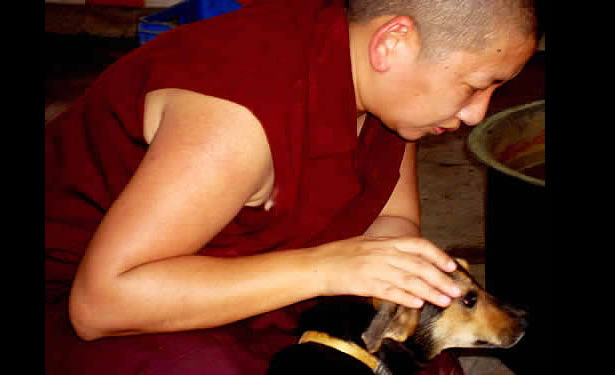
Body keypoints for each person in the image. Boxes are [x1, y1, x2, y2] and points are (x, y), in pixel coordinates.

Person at [45, 0, 539, 373]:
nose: (477, 113)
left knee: (415, 357)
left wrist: (401, 274)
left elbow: (389, 223)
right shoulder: (236, 116)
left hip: (254, 283)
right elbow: (100, 307)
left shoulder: (387, 92)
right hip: (96, 305)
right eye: (475, 86)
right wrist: (324, 267)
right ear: (392, 42)